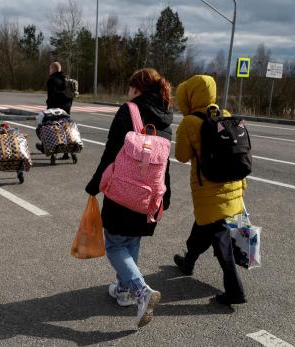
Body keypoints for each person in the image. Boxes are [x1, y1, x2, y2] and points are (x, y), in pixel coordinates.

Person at [85, 68, 173, 328]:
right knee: (131, 240)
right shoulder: (167, 116)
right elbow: (165, 163)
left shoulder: (129, 110)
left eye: (130, 87)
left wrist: (94, 185)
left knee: (113, 244)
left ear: (137, 88)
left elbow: (111, 152)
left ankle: (141, 290)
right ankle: (123, 291)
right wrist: (165, 196)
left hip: (122, 192)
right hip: (149, 196)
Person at [172, 75, 247, 306]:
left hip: (208, 190)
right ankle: (188, 262)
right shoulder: (224, 115)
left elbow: (181, 156)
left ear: (190, 95)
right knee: (202, 227)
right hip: (232, 186)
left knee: (220, 239)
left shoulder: (189, 122)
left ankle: (235, 291)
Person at [37, 62, 74, 159]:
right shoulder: (66, 79)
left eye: (50, 69)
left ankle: (45, 146)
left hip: (55, 109)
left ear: (52, 69)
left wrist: (48, 110)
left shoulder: (51, 80)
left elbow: (51, 96)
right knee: (65, 128)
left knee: (45, 126)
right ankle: (66, 153)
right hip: (66, 110)